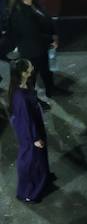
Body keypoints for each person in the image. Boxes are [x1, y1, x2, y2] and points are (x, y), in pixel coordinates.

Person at [9, 58, 52, 203]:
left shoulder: (24, 84)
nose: (32, 69)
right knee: (31, 159)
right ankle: (28, 191)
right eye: (30, 68)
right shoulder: (20, 96)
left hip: (34, 125)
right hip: (30, 132)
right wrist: (34, 138)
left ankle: (41, 179)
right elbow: (25, 120)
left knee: (38, 157)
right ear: (23, 73)